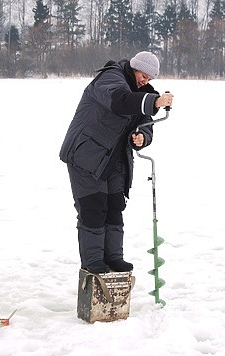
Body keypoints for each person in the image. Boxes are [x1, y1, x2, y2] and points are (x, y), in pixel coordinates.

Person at [59, 51, 173, 274]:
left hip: (116, 159)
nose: (145, 81)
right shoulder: (111, 78)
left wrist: (142, 139)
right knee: (93, 208)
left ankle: (114, 258)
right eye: (143, 75)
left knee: (114, 209)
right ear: (134, 68)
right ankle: (93, 262)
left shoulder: (142, 92)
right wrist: (154, 101)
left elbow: (145, 125)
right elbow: (120, 102)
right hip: (86, 155)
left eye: (150, 79)